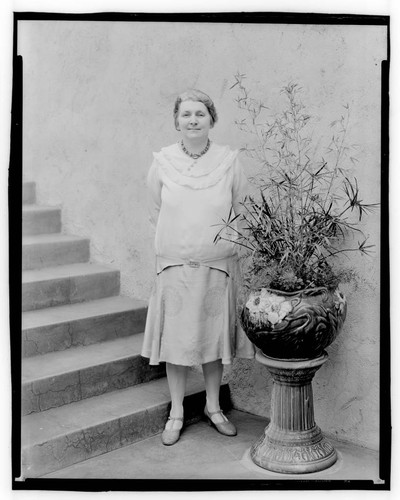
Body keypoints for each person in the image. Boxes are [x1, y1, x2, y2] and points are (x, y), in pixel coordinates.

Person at [141, 89, 254, 446]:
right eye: (186, 114)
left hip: (215, 267)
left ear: (211, 119)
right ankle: (176, 412)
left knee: (211, 341)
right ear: (177, 120)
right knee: (175, 343)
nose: (193, 120)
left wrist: (223, 250)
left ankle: (213, 406)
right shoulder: (162, 161)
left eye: (200, 114)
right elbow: (154, 210)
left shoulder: (228, 160)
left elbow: (241, 208)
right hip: (174, 266)